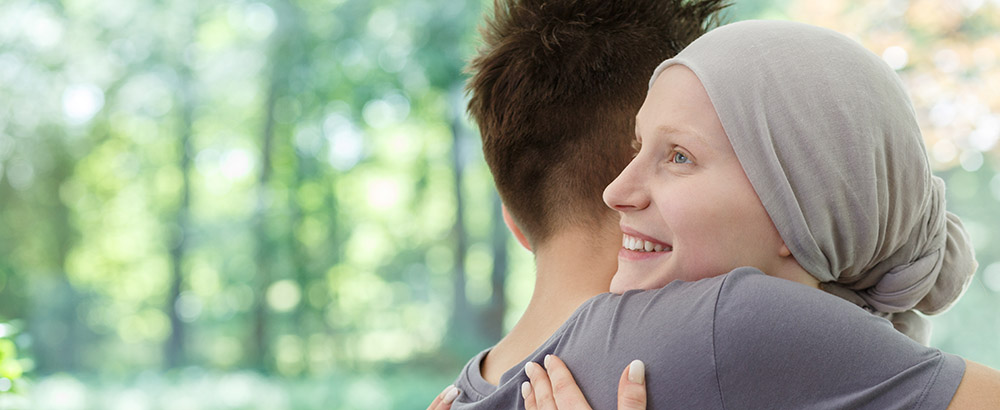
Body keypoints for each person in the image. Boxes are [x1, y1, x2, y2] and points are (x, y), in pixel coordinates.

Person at [516, 20, 1000, 408]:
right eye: (639, 147)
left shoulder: (737, 320)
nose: (616, 191)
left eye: (679, 156)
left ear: (803, 208)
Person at [425, 0, 730, 407]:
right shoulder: (728, 327)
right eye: (680, 155)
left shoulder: (459, 397)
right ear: (638, 173)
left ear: (514, 220)